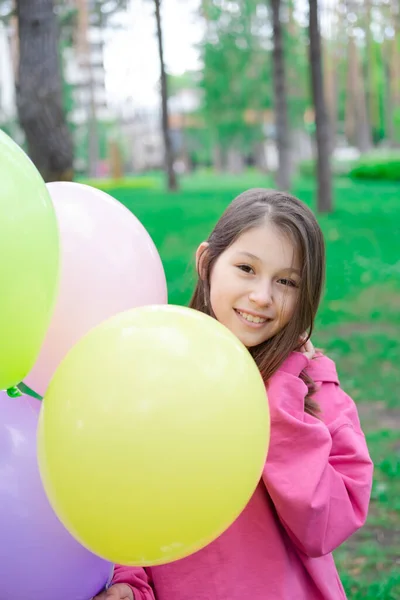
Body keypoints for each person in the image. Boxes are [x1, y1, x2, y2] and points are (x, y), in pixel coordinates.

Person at [95, 189, 373, 600]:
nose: (262, 296)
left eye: (286, 281)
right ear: (208, 263)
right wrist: (129, 579)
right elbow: (114, 491)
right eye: (246, 268)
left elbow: (328, 522)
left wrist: (278, 397)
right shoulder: (155, 368)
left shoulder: (312, 386)